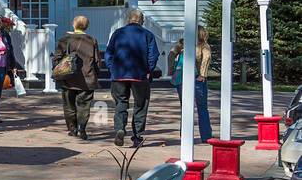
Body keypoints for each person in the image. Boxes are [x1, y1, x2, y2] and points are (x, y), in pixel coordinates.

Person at [104, 8, 161, 147]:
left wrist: (112, 68)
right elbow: (153, 55)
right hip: (139, 74)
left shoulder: (117, 33)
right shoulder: (147, 34)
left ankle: (120, 129)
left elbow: (108, 53)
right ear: (142, 21)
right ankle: (137, 136)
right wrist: (149, 70)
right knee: (141, 105)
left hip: (119, 74)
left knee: (121, 103)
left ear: (128, 20)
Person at [51, 15, 101, 140]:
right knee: (84, 105)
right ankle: (82, 128)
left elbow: (56, 58)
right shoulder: (92, 40)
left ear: (74, 25)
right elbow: (97, 61)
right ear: (86, 26)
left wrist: (58, 71)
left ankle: (72, 129)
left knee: (69, 105)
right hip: (87, 78)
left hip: (68, 78)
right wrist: (96, 74)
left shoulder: (65, 40)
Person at [173, 27, 214, 143]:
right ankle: (206, 136)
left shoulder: (182, 44)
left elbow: (171, 55)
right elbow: (207, 58)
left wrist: (171, 71)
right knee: (202, 108)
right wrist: (203, 74)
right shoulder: (203, 45)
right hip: (197, 79)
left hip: (182, 80)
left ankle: (185, 136)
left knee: (185, 108)